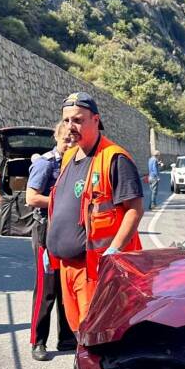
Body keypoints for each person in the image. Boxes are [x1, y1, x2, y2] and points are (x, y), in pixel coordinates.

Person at [46, 92, 144, 335]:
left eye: (78, 120)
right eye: (66, 120)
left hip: (95, 269)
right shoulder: (69, 155)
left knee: (95, 333)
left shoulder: (114, 158)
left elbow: (134, 210)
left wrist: (115, 251)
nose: (71, 127)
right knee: (79, 331)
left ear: (96, 120)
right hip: (66, 267)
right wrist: (51, 247)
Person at [25, 122, 77, 361]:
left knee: (66, 283)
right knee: (47, 287)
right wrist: (61, 202)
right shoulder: (46, 163)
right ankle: (38, 341)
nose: (70, 143)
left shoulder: (75, 164)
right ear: (57, 137)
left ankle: (66, 337)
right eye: (66, 139)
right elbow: (32, 197)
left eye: (73, 140)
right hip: (46, 230)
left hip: (68, 230)